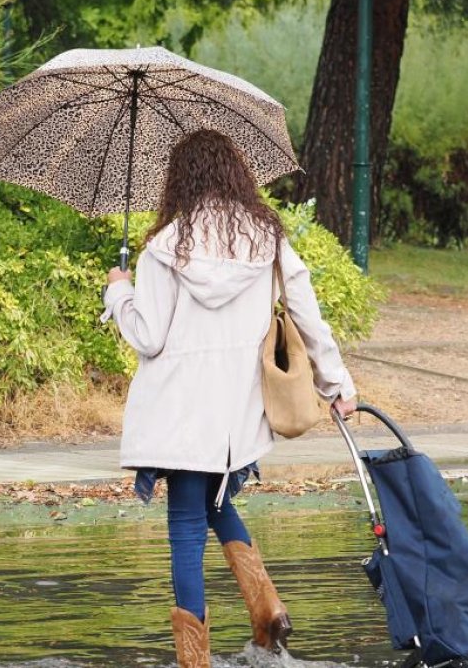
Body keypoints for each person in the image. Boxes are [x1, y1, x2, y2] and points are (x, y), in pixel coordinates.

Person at [101, 129, 357, 667]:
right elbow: (308, 318)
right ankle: (268, 613)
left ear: (180, 181)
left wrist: (118, 290)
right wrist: (338, 385)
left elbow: (148, 337)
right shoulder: (269, 240)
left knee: (188, 522)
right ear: (237, 174)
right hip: (235, 416)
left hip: (179, 413)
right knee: (215, 503)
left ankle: (194, 661)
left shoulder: (164, 249)